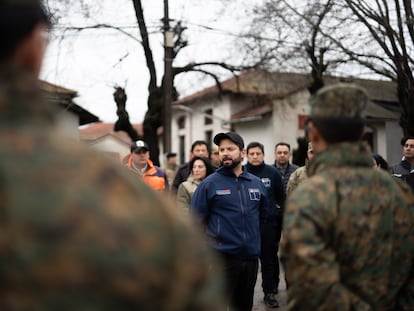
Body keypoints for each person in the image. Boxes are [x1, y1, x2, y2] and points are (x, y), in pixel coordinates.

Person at [0, 1, 227, 310]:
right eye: (138, 150)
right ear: (33, 49)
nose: (141, 153)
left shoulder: (156, 176)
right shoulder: (115, 191)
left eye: (144, 150)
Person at [281, 83, 414, 310]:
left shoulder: (310, 196)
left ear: (313, 132)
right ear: (362, 132)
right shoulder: (399, 192)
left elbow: (309, 290)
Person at [191, 132, 268, 311]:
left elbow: (263, 217)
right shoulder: (209, 185)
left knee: (244, 306)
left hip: (250, 259)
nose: (225, 153)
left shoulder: (256, 184)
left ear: (242, 153)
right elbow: (195, 223)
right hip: (221, 260)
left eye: (230, 149)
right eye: (222, 149)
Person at [245, 141, 284, 308]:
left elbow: (281, 198)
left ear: (263, 155)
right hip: (246, 225)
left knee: (268, 259)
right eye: (252, 154)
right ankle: (245, 294)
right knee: (247, 262)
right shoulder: (242, 172)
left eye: (258, 154)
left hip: (268, 224)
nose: (255, 157)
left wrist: (278, 219)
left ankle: (269, 291)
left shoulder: (272, 173)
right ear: (246, 155)